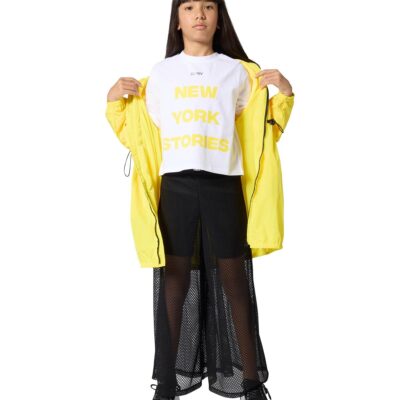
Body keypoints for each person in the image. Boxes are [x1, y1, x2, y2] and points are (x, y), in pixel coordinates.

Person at [105, 1, 295, 399]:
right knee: (173, 281)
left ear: (218, 17)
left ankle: (251, 384)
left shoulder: (238, 73)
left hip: (224, 185)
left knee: (235, 279)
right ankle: (167, 385)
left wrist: (285, 94)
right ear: (177, 20)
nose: (199, 14)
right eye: (189, 7)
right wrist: (113, 99)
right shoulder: (161, 75)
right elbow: (138, 134)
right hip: (176, 187)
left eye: (208, 6)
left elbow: (264, 131)